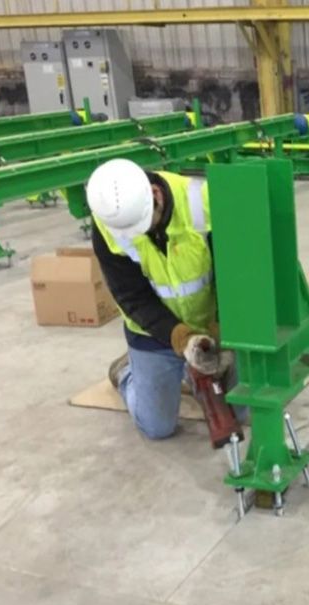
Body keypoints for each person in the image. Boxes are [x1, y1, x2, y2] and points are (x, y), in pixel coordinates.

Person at [87, 158, 229, 439]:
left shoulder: (203, 201)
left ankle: (190, 365)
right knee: (157, 427)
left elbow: (233, 274)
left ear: (155, 194)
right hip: (153, 332)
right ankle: (128, 371)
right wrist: (180, 338)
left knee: (239, 410)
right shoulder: (109, 225)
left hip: (209, 320)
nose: (139, 235)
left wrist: (222, 328)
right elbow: (131, 296)